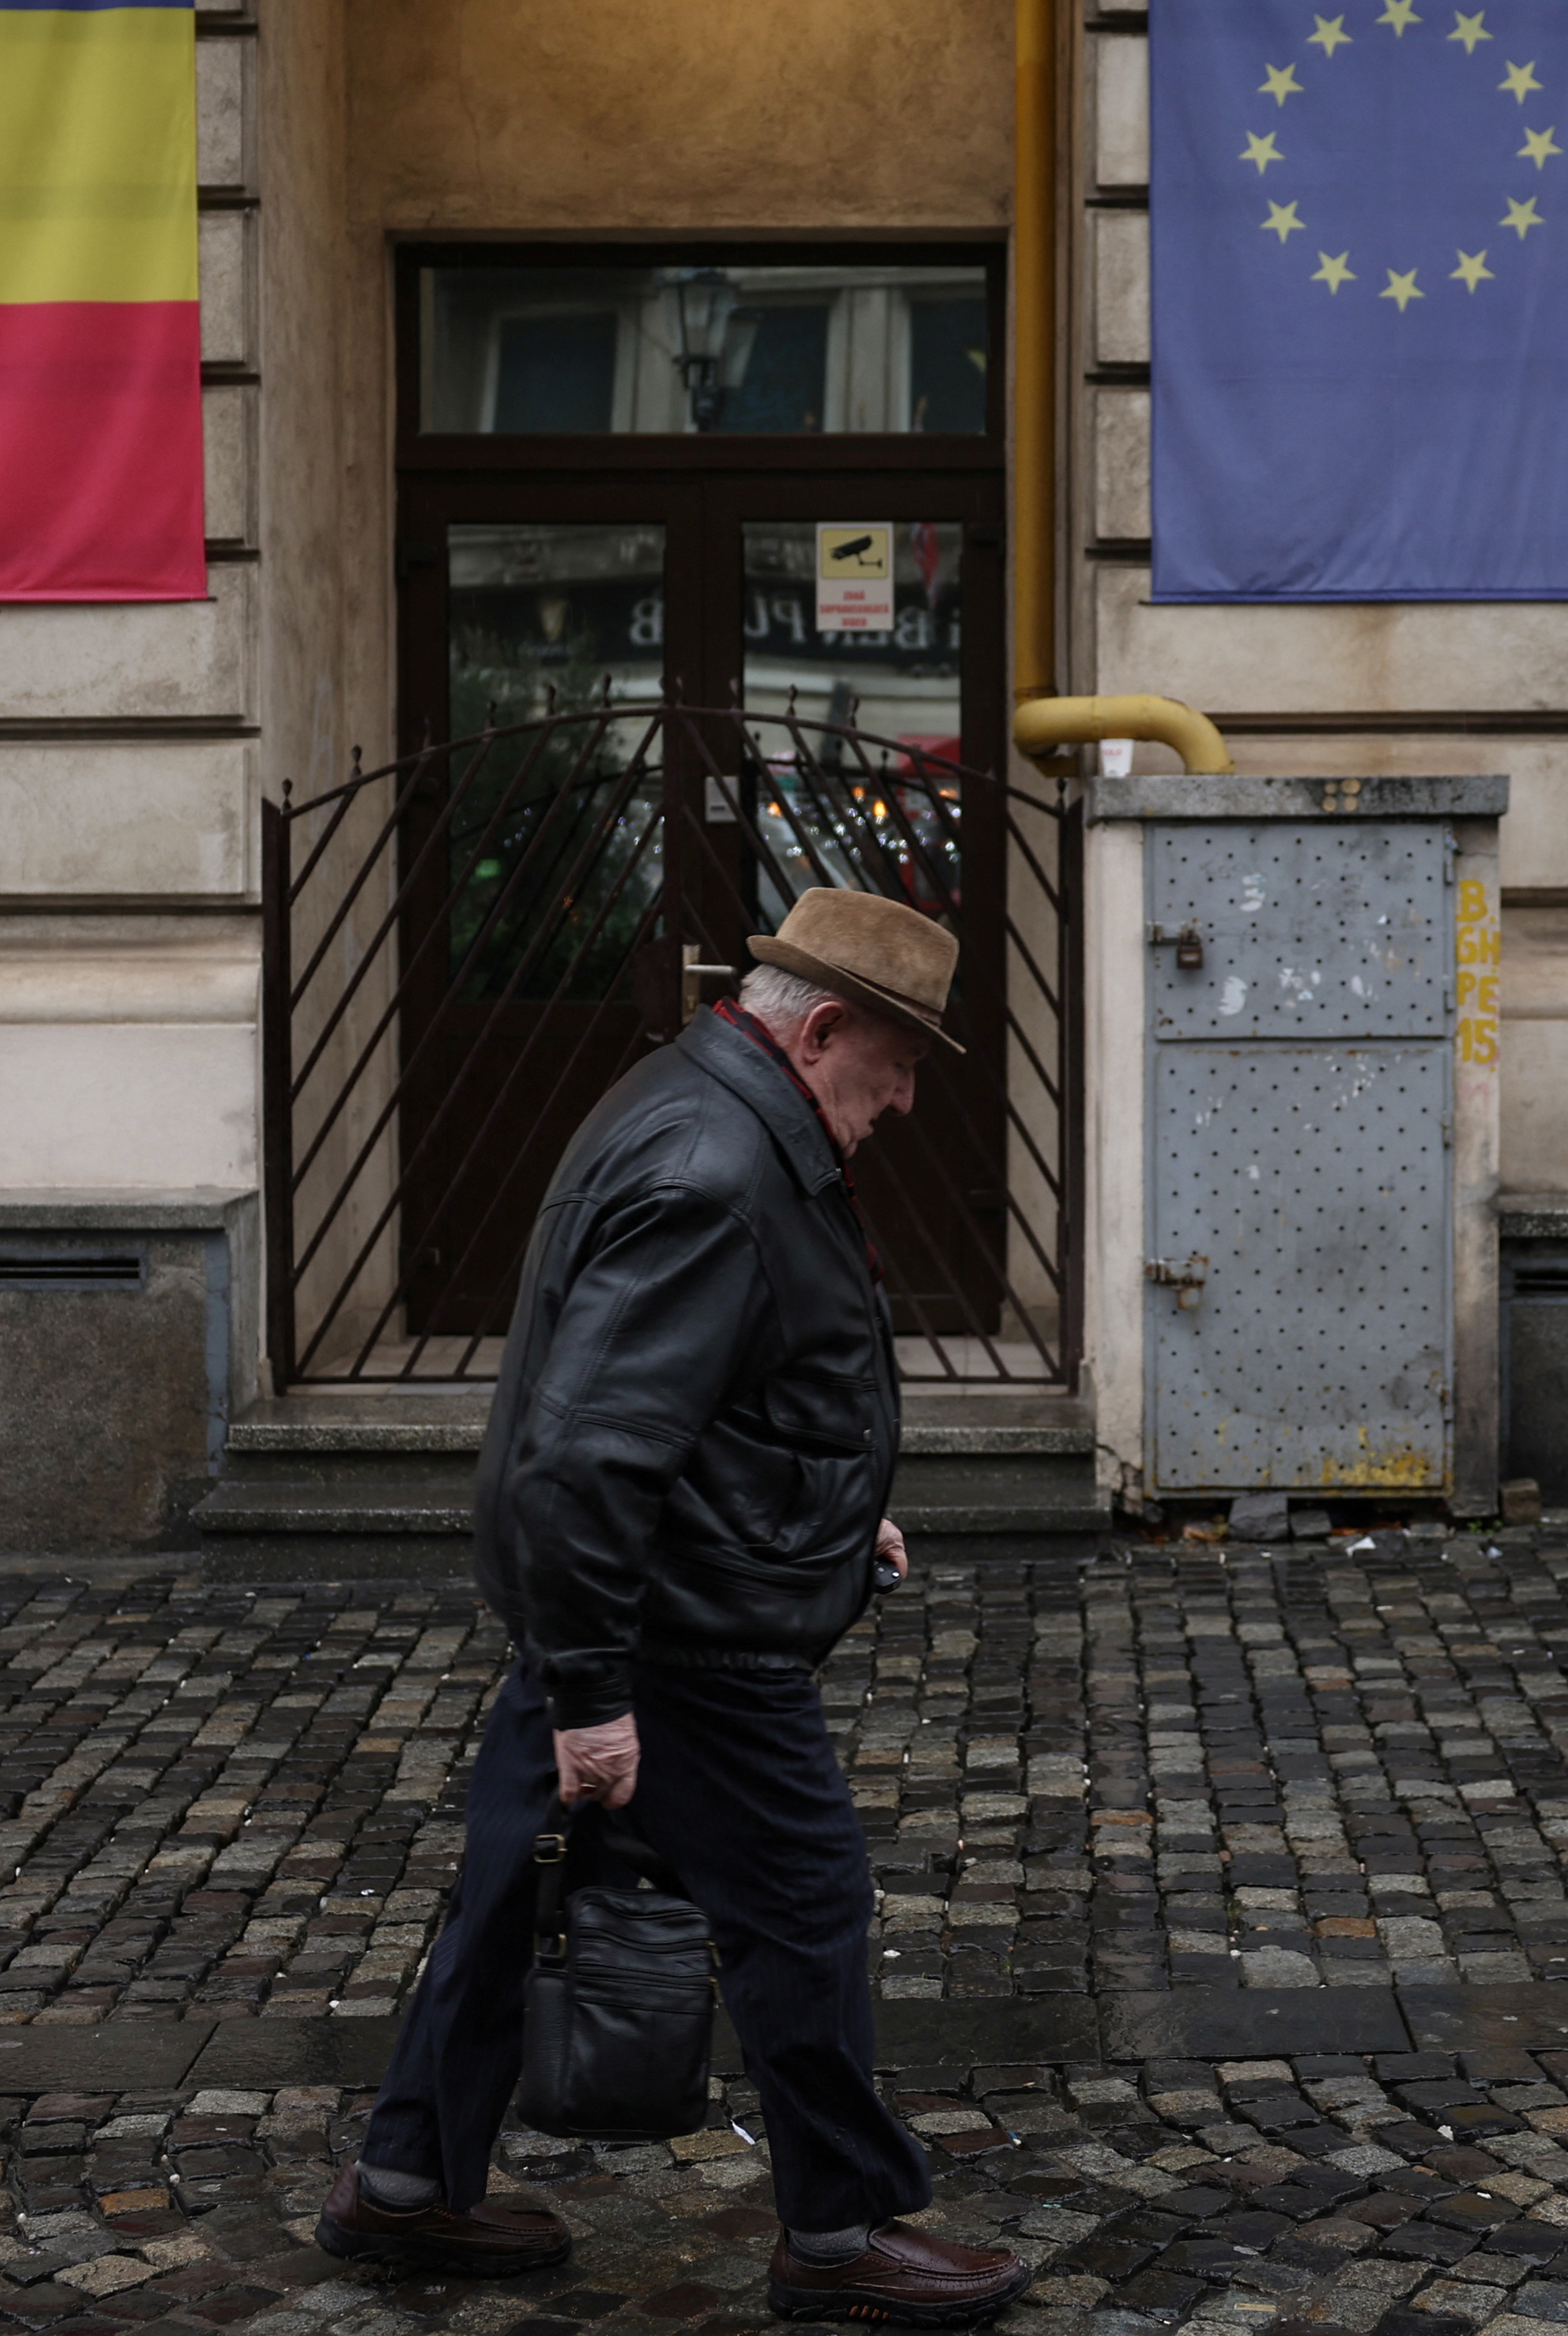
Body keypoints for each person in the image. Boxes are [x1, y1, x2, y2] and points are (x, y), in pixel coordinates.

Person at [316, 888, 1029, 2328]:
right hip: (677, 1637)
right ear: (823, 1029)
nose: (901, 1102)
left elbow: (699, 1393)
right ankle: (839, 2234)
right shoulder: (720, 1163)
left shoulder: (699, 1097)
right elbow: (591, 1450)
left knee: (509, 1892)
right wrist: (591, 1694)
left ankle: (405, 2184)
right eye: (897, 1067)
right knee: (808, 1904)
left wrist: (827, 1512)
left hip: (633, 1598)